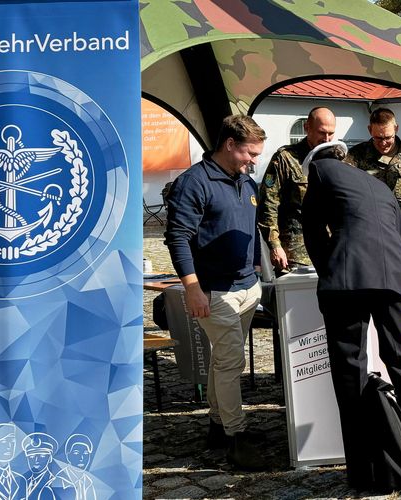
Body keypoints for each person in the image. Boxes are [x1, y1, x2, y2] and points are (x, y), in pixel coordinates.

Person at [301, 142, 401, 490]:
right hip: (394, 275)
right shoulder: (377, 183)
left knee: (351, 370)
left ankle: (365, 469)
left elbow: (313, 230)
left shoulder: (318, 169)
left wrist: (327, 269)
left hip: (348, 280)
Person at [164, 114, 267, 469]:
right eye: (250, 153)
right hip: (213, 292)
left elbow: (254, 228)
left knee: (223, 363)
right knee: (231, 362)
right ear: (229, 145)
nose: (254, 160)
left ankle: (217, 424)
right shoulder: (193, 183)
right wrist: (192, 287)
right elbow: (177, 237)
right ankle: (236, 439)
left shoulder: (246, 182)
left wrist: (256, 266)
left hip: (246, 288)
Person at [258, 106, 336, 272]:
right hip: (297, 252)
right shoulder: (286, 158)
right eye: (322, 133)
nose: (327, 139)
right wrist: (274, 245)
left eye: (331, 133)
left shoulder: (337, 158)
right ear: (307, 128)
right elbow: (268, 203)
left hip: (332, 249)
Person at [344, 107, 401, 217]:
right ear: (370, 130)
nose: (383, 143)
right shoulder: (356, 155)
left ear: (396, 128)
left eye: (388, 137)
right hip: (372, 222)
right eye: (378, 138)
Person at [21, 433, 58, 500]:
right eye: (31, 457)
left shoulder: (54, 482)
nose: (36, 460)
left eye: (42, 456)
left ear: (50, 459)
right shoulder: (24, 481)